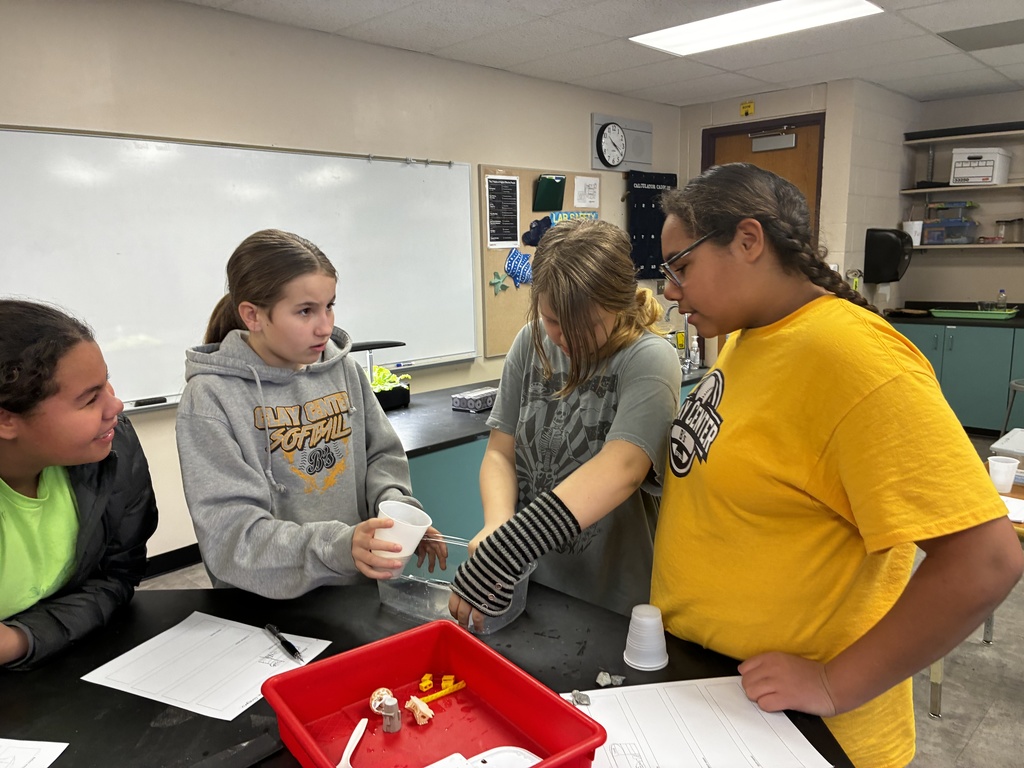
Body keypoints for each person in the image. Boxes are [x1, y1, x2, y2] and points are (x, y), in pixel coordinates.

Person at [650, 163, 1024, 768]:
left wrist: (832, 683)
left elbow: (986, 561)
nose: (670, 289)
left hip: (808, 734)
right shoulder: (753, 335)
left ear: (748, 241)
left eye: (681, 266)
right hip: (720, 699)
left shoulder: (856, 360)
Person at [176, 229, 441, 599]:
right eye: (305, 311)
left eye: (329, 305)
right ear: (253, 315)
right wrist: (337, 546)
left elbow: (380, 454)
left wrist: (395, 511)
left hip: (352, 588)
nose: (325, 326)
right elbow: (232, 536)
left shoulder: (341, 369)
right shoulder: (210, 398)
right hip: (264, 608)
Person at [449, 218, 682, 624]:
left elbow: (621, 468)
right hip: (531, 586)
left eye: (583, 327)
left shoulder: (649, 360)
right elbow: (501, 455)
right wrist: (497, 527)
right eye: (554, 321)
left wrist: (509, 546)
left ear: (620, 304)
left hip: (611, 600)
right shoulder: (532, 340)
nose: (564, 339)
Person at [0, 300, 158, 670]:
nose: (115, 405)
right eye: (90, 398)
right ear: (6, 420)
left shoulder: (113, 450)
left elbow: (116, 577)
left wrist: (20, 639)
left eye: (106, 383)